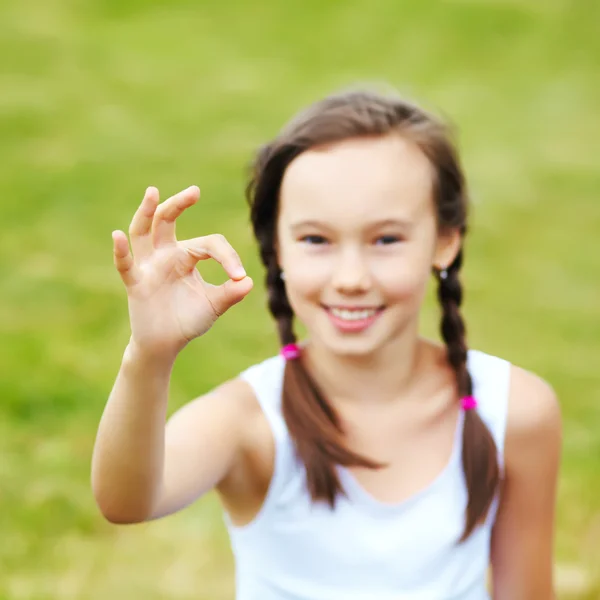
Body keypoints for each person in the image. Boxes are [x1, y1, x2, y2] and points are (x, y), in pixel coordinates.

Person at [91, 88, 562, 599]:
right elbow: (127, 500)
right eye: (316, 239)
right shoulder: (250, 423)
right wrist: (150, 354)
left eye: (386, 239)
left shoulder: (516, 411)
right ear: (277, 245)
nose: (352, 278)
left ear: (445, 240)